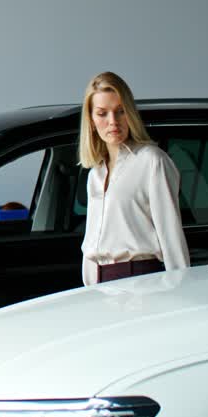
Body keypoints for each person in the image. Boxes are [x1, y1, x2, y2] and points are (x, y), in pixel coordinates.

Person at [78, 71, 189, 286]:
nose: (113, 121)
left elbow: (171, 235)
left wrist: (180, 288)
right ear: (91, 120)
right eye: (102, 113)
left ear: (130, 113)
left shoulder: (152, 161)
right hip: (100, 285)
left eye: (120, 111)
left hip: (141, 281)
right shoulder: (95, 174)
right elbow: (92, 244)